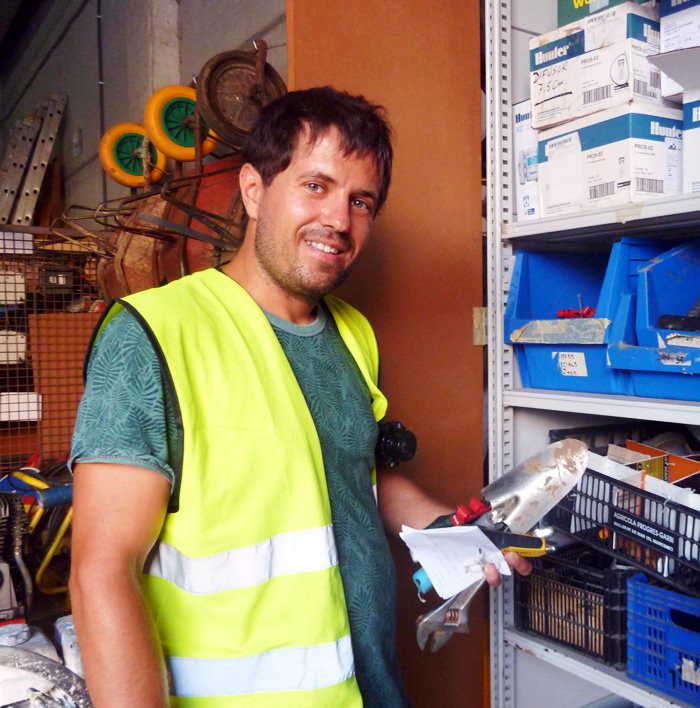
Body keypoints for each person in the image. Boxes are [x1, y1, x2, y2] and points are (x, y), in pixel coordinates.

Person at [69, 86, 530, 707]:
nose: (338, 220)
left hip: (367, 688)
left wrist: (449, 531)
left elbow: (354, 475)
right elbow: (103, 571)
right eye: (316, 186)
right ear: (254, 190)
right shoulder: (153, 333)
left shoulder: (352, 333)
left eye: (361, 201)